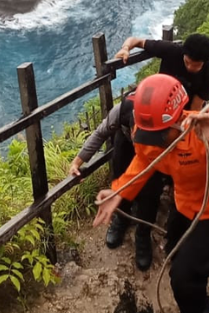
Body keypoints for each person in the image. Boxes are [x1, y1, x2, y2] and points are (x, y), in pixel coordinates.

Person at [94, 73, 209, 313]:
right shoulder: (150, 132)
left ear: (179, 119)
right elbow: (144, 161)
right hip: (186, 205)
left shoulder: (205, 133)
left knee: (182, 277)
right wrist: (118, 192)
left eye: (159, 135)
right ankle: (207, 268)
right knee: (175, 252)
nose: (153, 143)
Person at [69, 93, 163, 270]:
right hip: (124, 143)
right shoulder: (121, 112)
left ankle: (143, 233)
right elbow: (99, 134)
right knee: (120, 175)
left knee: (152, 189)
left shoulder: (166, 118)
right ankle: (121, 218)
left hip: (156, 149)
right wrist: (77, 161)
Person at [114, 33, 209, 110]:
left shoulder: (208, 73)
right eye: (187, 62)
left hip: (184, 109)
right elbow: (137, 41)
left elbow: (195, 109)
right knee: (121, 108)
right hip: (157, 96)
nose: (190, 67)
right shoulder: (171, 51)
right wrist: (126, 48)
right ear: (183, 53)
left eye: (196, 65)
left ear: (205, 62)